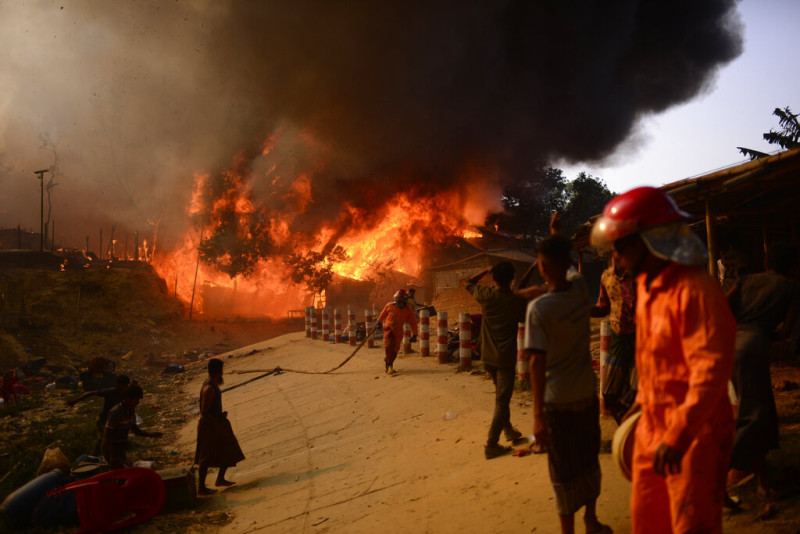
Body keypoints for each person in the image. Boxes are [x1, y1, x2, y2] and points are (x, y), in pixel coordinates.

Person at [591, 186, 735, 534]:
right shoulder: (649, 290)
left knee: (690, 523)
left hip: (694, 433)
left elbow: (709, 373)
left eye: (621, 246)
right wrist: (640, 408)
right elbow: (655, 365)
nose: (616, 256)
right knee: (650, 519)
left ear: (650, 241)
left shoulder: (695, 290)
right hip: (653, 426)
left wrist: (678, 436)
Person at [523, 234, 607, 534]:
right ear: (570, 262)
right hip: (587, 394)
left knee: (562, 470)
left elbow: (536, 363)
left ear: (542, 267)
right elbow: (567, 270)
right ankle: (592, 521)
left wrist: (537, 417)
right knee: (588, 460)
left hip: (557, 404)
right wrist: (554, 233)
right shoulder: (581, 288)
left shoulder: (539, 310)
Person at [726, 242, 800, 495]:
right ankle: (717, 469)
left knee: (760, 414)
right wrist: (767, 330)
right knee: (754, 416)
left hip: (731, 343)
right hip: (755, 346)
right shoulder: (792, 289)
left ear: (767, 263)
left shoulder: (746, 280)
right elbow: (786, 331)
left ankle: (763, 482)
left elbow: (723, 304)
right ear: (794, 267)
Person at [463, 261, 528, 459]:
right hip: (505, 358)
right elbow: (525, 317)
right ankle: (491, 444)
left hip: (487, 356)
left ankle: (509, 431)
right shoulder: (514, 301)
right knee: (502, 400)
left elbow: (467, 282)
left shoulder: (486, 295)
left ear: (494, 278)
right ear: (511, 279)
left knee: (500, 397)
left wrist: (485, 270)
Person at [590, 255, 637, 424]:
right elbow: (603, 308)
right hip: (617, 340)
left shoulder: (639, 276)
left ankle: (634, 436)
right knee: (609, 396)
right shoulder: (606, 277)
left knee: (635, 395)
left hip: (639, 340)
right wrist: (580, 309)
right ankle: (625, 432)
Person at [195, 358, 246, 495]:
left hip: (217, 423)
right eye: (222, 371)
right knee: (205, 457)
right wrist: (217, 427)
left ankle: (220, 479)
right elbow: (204, 412)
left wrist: (220, 416)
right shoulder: (209, 388)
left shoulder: (212, 385)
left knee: (229, 448)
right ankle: (201, 487)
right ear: (218, 372)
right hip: (209, 427)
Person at [101, 384, 163, 469]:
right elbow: (107, 438)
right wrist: (113, 457)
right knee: (119, 472)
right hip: (111, 449)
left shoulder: (130, 410)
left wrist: (150, 435)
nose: (138, 402)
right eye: (136, 399)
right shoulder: (116, 412)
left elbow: (135, 430)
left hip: (119, 448)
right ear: (128, 398)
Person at [67, 374, 132, 455]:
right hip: (103, 420)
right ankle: (98, 455)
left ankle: (102, 454)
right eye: (125, 386)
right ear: (118, 385)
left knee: (110, 438)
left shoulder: (125, 393)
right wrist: (75, 401)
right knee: (105, 439)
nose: (126, 388)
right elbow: (91, 393)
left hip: (113, 420)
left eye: (127, 386)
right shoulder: (110, 392)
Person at [377, 289, 418, 375]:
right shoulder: (389, 306)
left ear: (405, 300)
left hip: (398, 331)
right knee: (389, 346)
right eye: (398, 298)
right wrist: (378, 322)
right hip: (388, 329)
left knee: (395, 349)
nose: (399, 301)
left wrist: (415, 334)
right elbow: (382, 314)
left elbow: (413, 323)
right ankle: (389, 365)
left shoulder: (407, 310)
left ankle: (388, 363)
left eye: (401, 299)